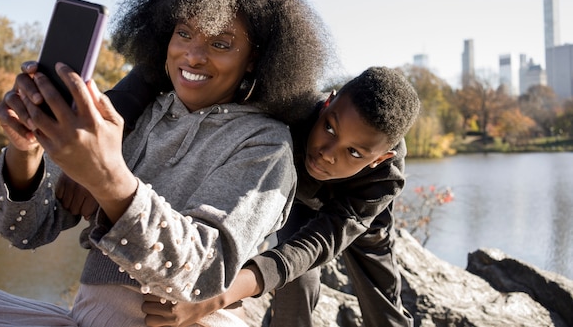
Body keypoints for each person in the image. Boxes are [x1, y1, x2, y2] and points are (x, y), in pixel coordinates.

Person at [0, 0, 331, 327]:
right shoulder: (132, 116)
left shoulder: (265, 145)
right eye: (184, 33)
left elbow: (202, 273)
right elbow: (27, 230)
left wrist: (108, 179)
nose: (194, 55)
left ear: (253, 59)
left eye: (220, 44)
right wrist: (25, 149)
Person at [140, 66, 421, 327]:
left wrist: (215, 298)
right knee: (297, 281)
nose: (327, 153)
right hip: (292, 194)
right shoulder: (291, 105)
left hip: (352, 210)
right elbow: (165, 69)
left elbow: (322, 241)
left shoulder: (384, 177)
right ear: (328, 102)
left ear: (379, 159)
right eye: (330, 128)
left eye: (354, 152)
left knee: (382, 297)